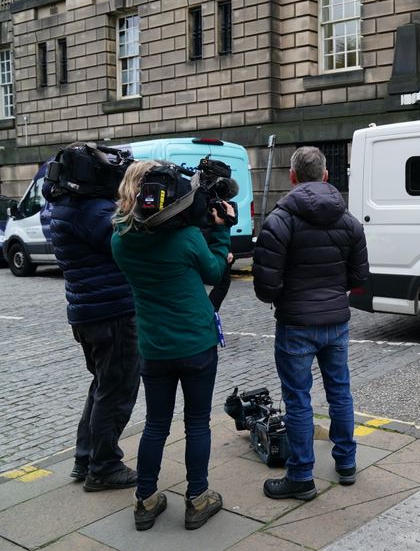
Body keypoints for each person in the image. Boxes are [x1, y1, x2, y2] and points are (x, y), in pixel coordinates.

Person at [111, 160, 234, 531]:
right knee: (197, 424)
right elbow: (214, 271)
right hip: (196, 343)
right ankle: (198, 498)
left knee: (156, 424)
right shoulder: (187, 237)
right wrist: (221, 232)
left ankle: (145, 500)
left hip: (154, 346)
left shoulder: (119, 239)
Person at [253, 146, 369, 500]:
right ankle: (346, 463)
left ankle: (301, 476)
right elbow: (359, 277)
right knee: (340, 392)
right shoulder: (348, 221)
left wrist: (291, 296)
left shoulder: (279, 220)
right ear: (325, 175)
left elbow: (266, 287)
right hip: (336, 321)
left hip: (296, 324)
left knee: (298, 399)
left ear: (292, 176)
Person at [42, 143, 140, 492]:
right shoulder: (93, 211)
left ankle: (86, 458)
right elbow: (131, 243)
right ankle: (104, 466)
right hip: (111, 312)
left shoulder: (64, 206)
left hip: (88, 313)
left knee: (102, 386)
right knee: (117, 389)